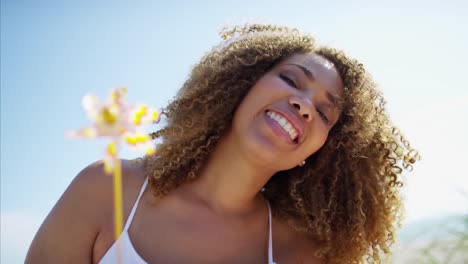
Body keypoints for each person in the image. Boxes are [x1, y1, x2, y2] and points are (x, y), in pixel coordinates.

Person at [26, 24, 419, 263]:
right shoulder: (106, 189)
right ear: (240, 85)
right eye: (291, 80)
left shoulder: (303, 253)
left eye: (325, 113)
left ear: (322, 149)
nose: (303, 104)